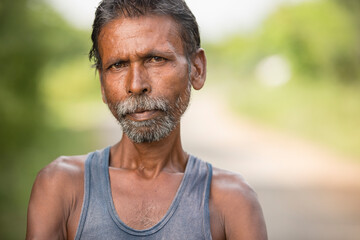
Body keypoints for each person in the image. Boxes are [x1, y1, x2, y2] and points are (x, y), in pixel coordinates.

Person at [26, 0, 267, 239]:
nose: (136, 85)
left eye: (156, 59)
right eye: (118, 65)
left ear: (197, 69)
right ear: (102, 83)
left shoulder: (232, 202)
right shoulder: (61, 188)